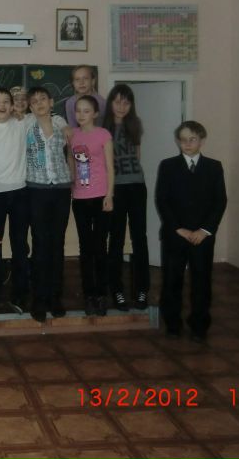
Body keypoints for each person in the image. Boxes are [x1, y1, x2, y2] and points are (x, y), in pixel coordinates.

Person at [0, 87, 69, 317]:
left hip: (21, 193)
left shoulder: (23, 122)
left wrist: (62, 122)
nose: (2, 105)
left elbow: (50, 117)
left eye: (6, 101)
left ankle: (20, 295)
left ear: (13, 105)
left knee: (20, 246)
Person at [155, 121, 227, 342]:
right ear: (178, 141)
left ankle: (199, 325)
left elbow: (220, 201)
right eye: (183, 139)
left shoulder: (214, 167)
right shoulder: (168, 166)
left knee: (201, 280)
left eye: (192, 139)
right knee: (172, 279)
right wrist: (178, 228)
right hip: (176, 234)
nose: (187, 143)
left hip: (202, 236)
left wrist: (205, 230)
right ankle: (173, 324)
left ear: (201, 141)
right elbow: (162, 200)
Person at [25, 86, 73, 322]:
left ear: (51, 102)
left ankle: (55, 297)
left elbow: (72, 152)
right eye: (34, 101)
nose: (39, 103)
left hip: (61, 190)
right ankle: (39, 299)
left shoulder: (60, 123)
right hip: (36, 190)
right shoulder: (26, 124)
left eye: (42, 99)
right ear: (30, 106)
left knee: (57, 244)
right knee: (40, 244)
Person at [102, 84, 150, 311]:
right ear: (110, 103)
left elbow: (137, 157)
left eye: (126, 102)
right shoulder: (103, 128)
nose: (121, 106)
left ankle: (141, 290)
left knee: (140, 238)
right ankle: (117, 291)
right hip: (115, 189)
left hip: (137, 187)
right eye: (117, 101)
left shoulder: (135, 125)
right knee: (116, 240)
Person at [70, 95, 114, 316]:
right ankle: (89, 295)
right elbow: (71, 162)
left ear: (95, 114)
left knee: (100, 247)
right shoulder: (72, 134)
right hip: (80, 198)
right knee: (85, 248)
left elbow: (110, 167)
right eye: (78, 110)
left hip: (101, 197)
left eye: (86, 111)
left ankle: (101, 294)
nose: (81, 115)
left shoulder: (103, 134)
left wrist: (110, 195)